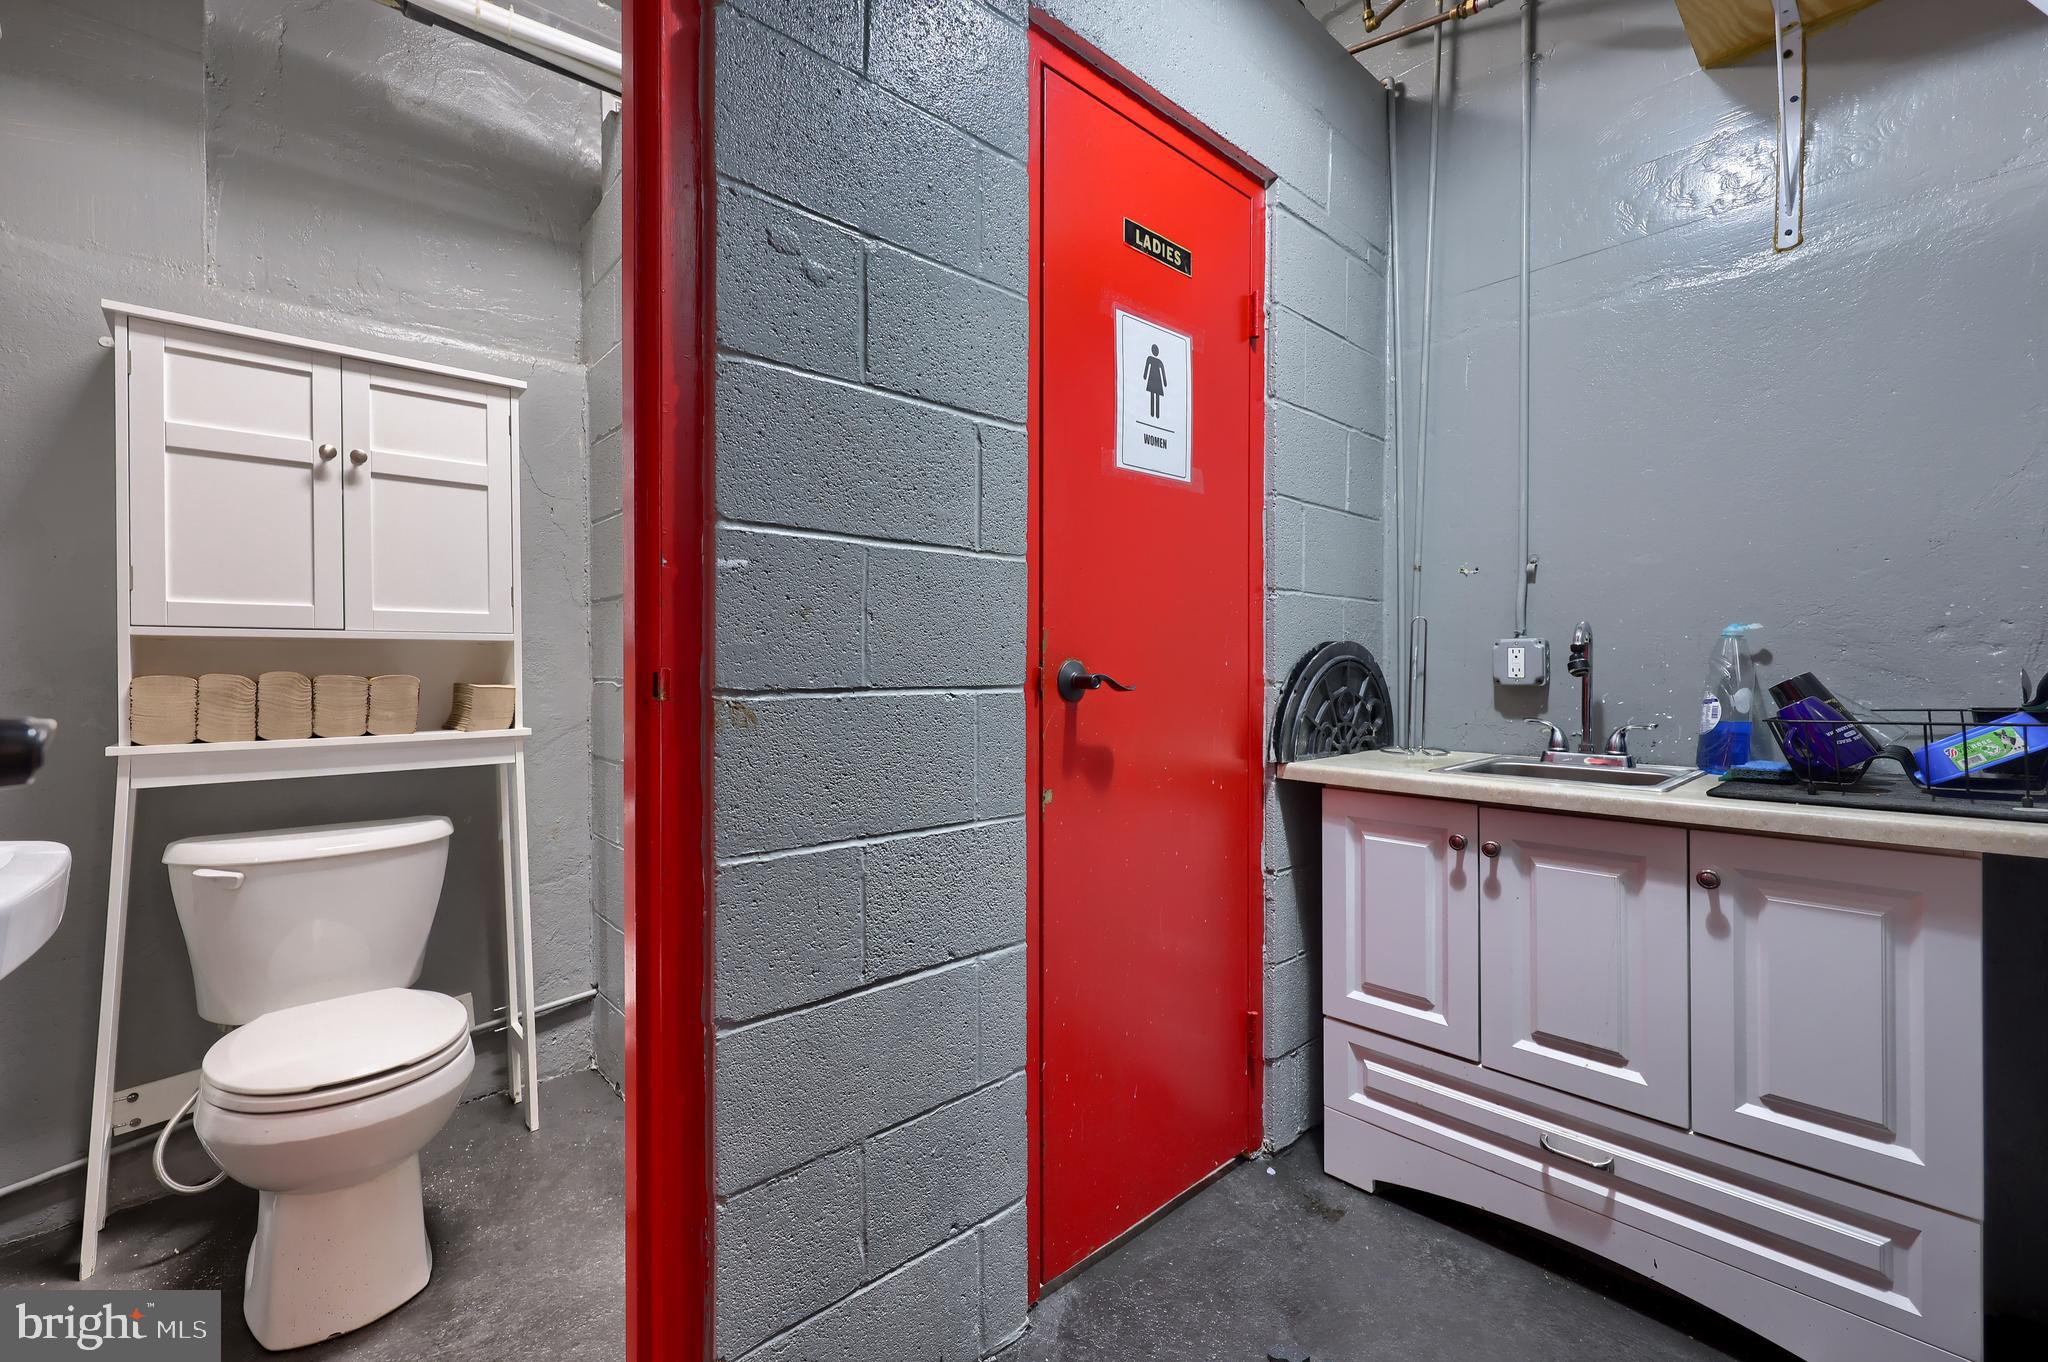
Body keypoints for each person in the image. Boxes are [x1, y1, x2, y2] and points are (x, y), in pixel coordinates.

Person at [1141, 343, 1167, 419]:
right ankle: (1152, 413)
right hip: (1152, 378)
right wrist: (1145, 376)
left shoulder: (1159, 361)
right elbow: (1146, 367)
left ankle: (1157, 414)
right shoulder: (1150, 358)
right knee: (1153, 395)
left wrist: (1165, 382)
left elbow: (1163, 372)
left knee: (1157, 396)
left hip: (1157, 379)